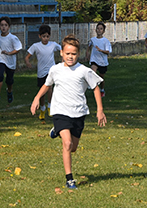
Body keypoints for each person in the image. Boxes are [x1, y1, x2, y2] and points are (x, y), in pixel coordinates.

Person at [30, 34, 107, 189]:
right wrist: (37, 98)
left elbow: (96, 88)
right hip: (60, 111)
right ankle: (69, 179)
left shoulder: (84, 71)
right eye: (67, 54)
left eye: (73, 54)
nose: (70, 57)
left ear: (78, 54)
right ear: (61, 53)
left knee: (73, 148)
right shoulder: (55, 70)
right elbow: (47, 85)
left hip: (78, 113)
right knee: (67, 143)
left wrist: (100, 110)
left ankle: (56, 131)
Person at [25, 25, 61, 120]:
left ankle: (50, 106)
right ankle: (42, 109)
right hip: (41, 72)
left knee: (49, 88)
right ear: (39, 36)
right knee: (42, 92)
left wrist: (63, 59)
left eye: (47, 36)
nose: (45, 38)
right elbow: (27, 56)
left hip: (51, 71)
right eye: (43, 36)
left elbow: (62, 50)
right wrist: (27, 62)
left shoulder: (53, 45)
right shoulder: (36, 46)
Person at [0, 16, 22, 107]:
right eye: (1, 25)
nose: (3, 27)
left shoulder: (13, 38)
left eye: (5, 25)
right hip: (1, 58)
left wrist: (9, 53)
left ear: (9, 27)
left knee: (9, 80)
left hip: (10, 61)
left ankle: (9, 92)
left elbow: (18, 49)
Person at [86, 22, 112, 98]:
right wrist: (87, 54)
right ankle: (90, 84)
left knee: (101, 78)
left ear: (103, 31)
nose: (99, 30)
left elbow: (108, 52)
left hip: (103, 62)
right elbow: (89, 47)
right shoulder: (92, 40)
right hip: (94, 60)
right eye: (98, 28)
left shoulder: (105, 41)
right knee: (92, 70)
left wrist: (101, 50)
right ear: (95, 30)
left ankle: (102, 89)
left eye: (101, 29)